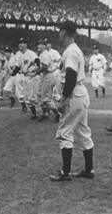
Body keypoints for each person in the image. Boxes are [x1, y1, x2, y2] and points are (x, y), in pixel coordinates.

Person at [50, 21, 94, 182]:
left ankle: (65, 172)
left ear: (65, 32)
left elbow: (70, 75)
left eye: (60, 31)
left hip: (74, 94)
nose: (58, 34)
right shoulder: (74, 50)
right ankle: (89, 169)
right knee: (83, 132)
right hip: (80, 94)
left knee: (64, 132)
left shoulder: (71, 51)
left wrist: (64, 99)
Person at [13, 38, 39, 118]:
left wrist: (36, 68)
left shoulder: (30, 53)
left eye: (22, 43)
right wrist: (13, 73)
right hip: (25, 76)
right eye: (19, 43)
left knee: (32, 96)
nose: (20, 44)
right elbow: (17, 66)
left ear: (26, 45)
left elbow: (37, 60)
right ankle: (34, 113)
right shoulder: (18, 54)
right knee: (28, 96)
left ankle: (39, 112)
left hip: (32, 77)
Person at [35, 39, 58, 121]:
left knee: (46, 98)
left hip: (48, 75)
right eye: (37, 44)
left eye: (40, 44)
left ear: (44, 46)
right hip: (45, 75)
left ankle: (57, 113)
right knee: (40, 95)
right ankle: (45, 113)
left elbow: (45, 66)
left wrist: (36, 72)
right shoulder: (42, 54)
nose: (38, 46)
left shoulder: (45, 54)